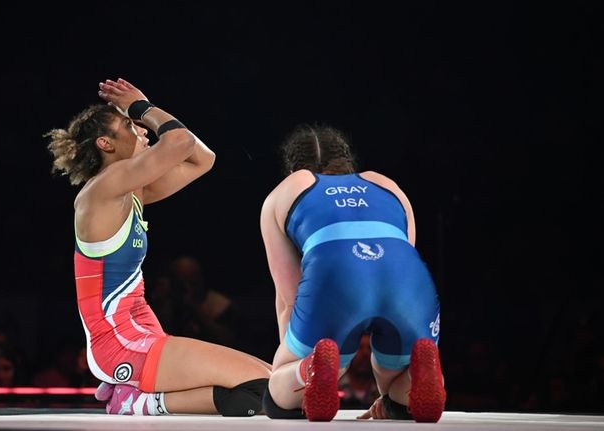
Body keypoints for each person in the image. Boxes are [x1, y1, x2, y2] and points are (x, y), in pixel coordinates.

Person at [45, 78, 271, 416]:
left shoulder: (133, 193)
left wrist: (141, 109)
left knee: (272, 389)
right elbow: (179, 141)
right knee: (267, 389)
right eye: (130, 126)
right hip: (119, 343)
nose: (143, 131)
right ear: (106, 144)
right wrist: (141, 105)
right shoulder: (102, 190)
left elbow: (202, 158)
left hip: (142, 332)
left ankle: (137, 396)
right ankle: (137, 402)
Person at [258, 123, 446, 422]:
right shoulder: (386, 185)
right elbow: (399, 262)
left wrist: (293, 353)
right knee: (396, 390)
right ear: (345, 159)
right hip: (409, 285)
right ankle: (416, 372)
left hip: (335, 285)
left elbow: (288, 299)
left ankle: (309, 370)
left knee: (279, 399)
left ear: (293, 166)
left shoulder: (287, 191)